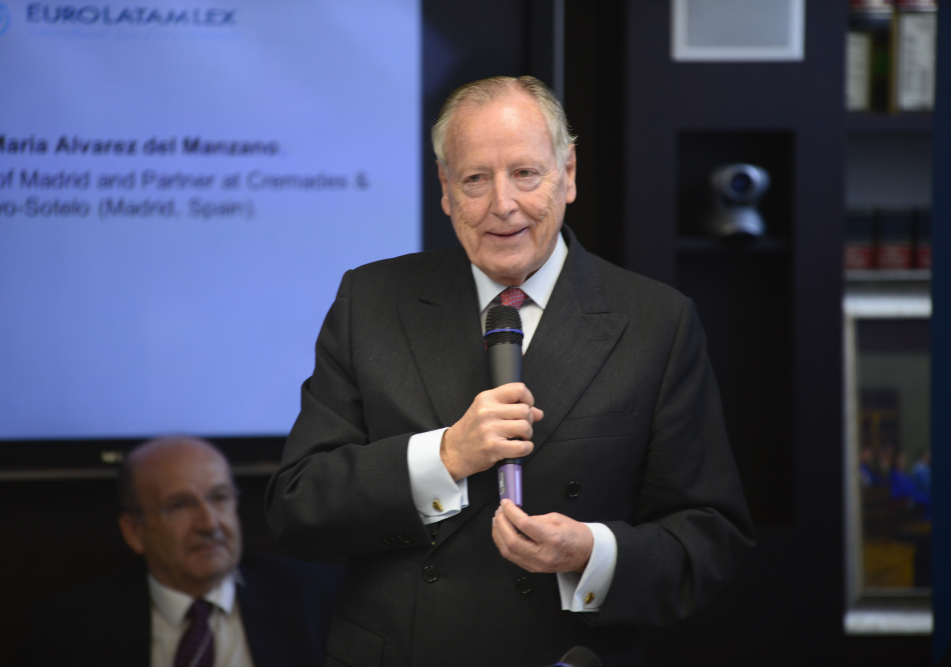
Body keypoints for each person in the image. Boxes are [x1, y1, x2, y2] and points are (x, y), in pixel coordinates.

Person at [265, 75, 754, 667]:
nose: (502, 204)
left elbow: (709, 538)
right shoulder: (369, 301)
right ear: (446, 189)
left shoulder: (657, 322)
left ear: (568, 174)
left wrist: (591, 553)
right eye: (475, 179)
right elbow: (297, 510)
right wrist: (444, 456)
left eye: (525, 173)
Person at [31, 436, 341, 667]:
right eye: (179, 506)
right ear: (134, 531)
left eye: (220, 497)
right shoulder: (72, 630)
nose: (209, 523)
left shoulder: (322, 599)